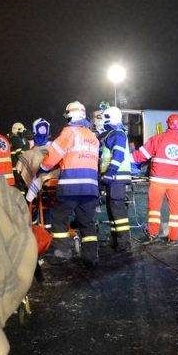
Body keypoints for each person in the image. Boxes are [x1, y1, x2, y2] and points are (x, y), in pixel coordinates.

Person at [39, 101, 101, 266]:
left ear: (70, 116)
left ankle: (62, 253)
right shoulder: (92, 137)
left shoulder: (69, 133)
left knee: (59, 218)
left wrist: (42, 168)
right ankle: (90, 257)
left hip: (70, 187)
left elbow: (52, 156)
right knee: (87, 222)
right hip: (90, 188)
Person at [131, 113, 178, 245]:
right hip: (175, 183)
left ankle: (153, 234)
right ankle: (173, 237)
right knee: (175, 212)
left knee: (154, 210)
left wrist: (127, 158)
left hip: (158, 181)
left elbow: (139, 156)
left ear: (167, 124)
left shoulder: (157, 139)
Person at [97, 106, 132, 252]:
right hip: (112, 178)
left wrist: (110, 173)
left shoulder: (117, 134)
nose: (102, 122)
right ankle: (116, 240)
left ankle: (124, 243)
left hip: (116, 177)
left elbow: (118, 156)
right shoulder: (112, 134)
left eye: (104, 118)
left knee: (118, 210)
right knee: (112, 210)